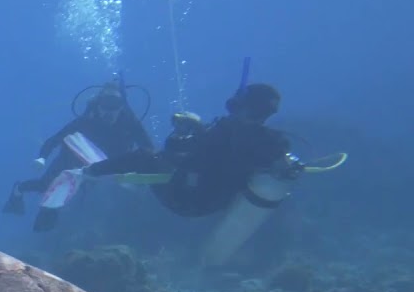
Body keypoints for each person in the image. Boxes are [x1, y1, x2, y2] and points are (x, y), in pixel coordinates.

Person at [84, 83, 298, 217]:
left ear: (238, 105)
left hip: (185, 201)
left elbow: (177, 154)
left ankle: (91, 172)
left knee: (144, 157)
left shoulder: (219, 131)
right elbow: (285, 165)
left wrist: (188, 131)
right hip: (221, 204)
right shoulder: (273, 142)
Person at [3, 81, 154, 232]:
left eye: (115, 103)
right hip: (71, 159)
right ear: (98, 104)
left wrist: (147, 166)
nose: (109, 110)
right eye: (105, 103)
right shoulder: (86, 121)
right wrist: (42, 157)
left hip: (106, 164)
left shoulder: (130, 123)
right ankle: (19, 189)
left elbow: (148, 147)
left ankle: (57, 206)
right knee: (45, 186)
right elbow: (55, 139)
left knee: (88, 187)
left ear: (122, 105)